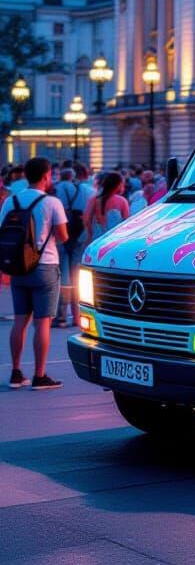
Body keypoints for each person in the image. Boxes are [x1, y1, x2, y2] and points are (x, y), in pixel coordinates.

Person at [2, 157, 68, 390]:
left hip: (18, 266)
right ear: (46, 175)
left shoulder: (11, 201)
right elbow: (63, 237)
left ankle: (16, 373)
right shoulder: (52, 202)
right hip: (45, 266)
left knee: (20, 320)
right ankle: (40, 375)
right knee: (42, 323)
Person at [54, 164, 94, 328]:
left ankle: (61, 316)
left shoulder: (58, 188)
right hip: (79, 233)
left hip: (64, 234)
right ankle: (77, 316)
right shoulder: (84, 188)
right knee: (77, 274)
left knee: (63, 276)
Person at [84, 172, 130, 241]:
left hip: (97, 238)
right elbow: (126, 223)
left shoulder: (94, 200)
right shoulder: (122, 201)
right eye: (123, 184)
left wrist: (90, 236)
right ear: (119, 185)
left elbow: (87, 220)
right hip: (114, 240)